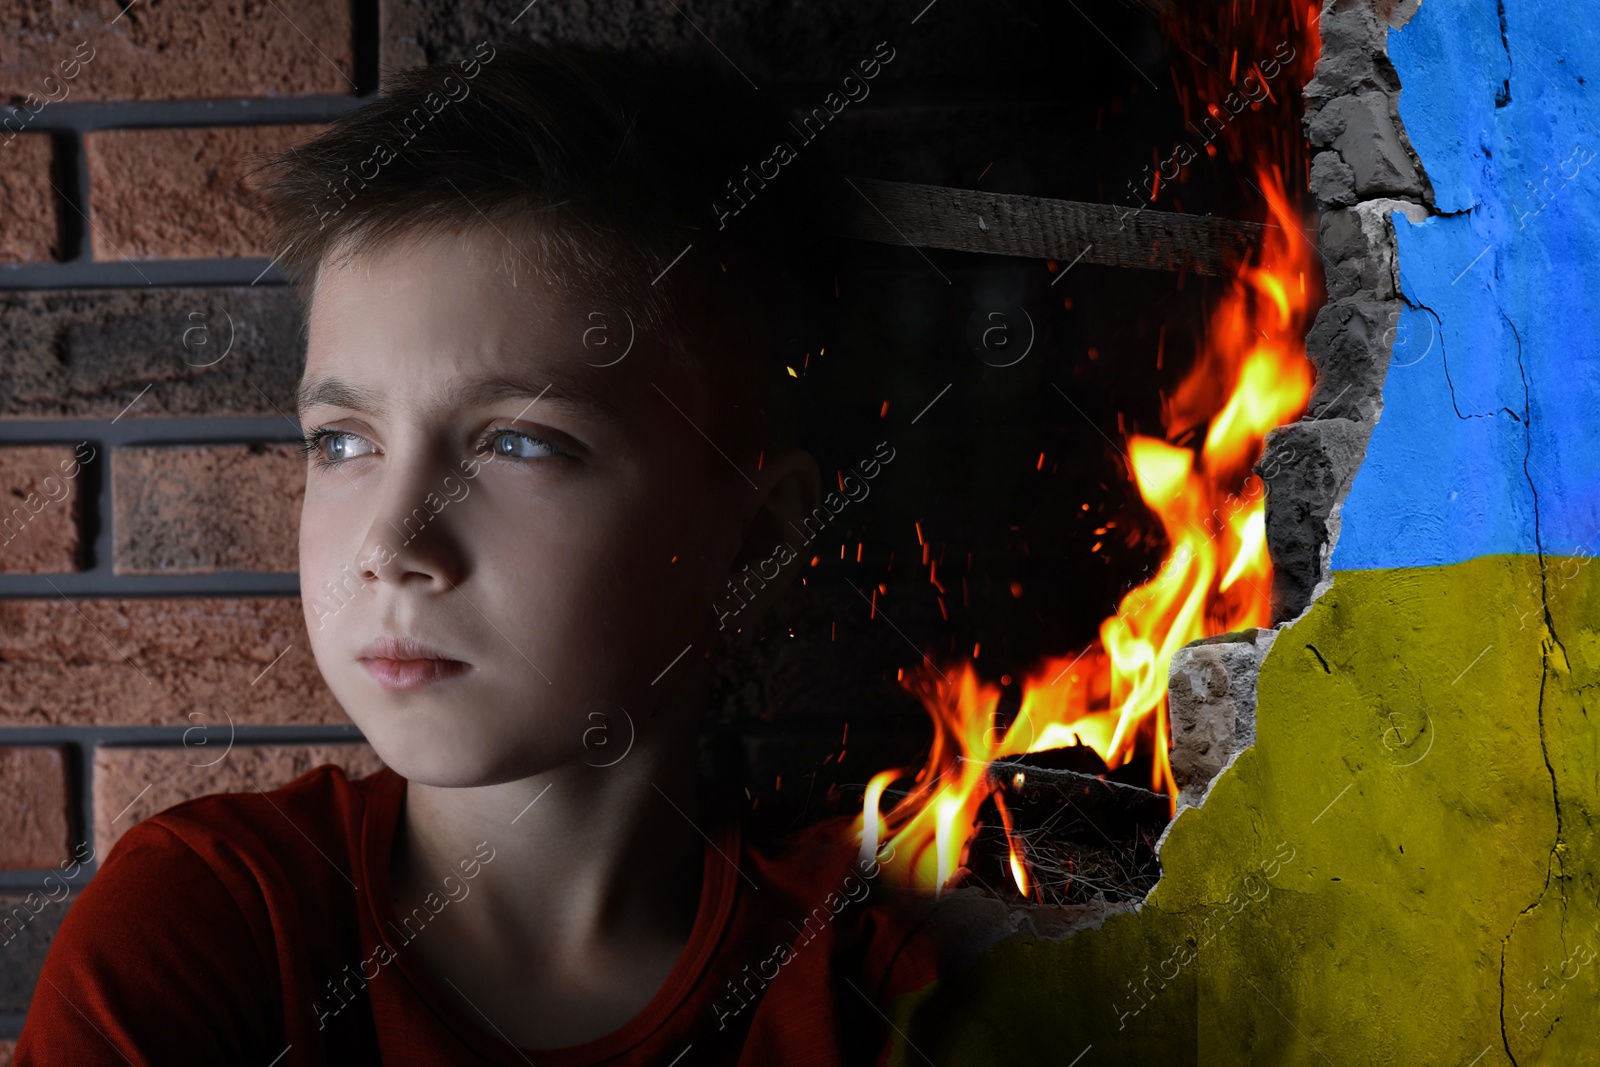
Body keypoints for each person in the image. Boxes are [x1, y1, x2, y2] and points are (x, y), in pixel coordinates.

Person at [15, 41, 940, 1066]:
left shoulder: (879, 982)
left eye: (517, 441)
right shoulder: (210, 927)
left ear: (756, 536)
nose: (393, 544)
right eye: (344, 441)